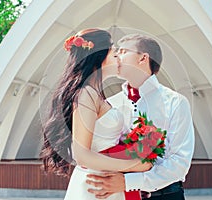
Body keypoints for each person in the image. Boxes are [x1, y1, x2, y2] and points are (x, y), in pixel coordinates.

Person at [40, 28, 152, 200]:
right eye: (114, 52)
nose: (119, 58)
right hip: (95, 186)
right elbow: (82, 155)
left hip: (105, 182)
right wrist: (134, 165)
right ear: (99, 56)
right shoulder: (86, 94)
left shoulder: (96, 93)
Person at [86, 33, 195, 200]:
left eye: (123, 51)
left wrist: (128, 182)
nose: (116, 56)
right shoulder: (109, 104)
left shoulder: (175, 103)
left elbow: (179, 162)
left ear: (143, 58)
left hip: (165, 195)